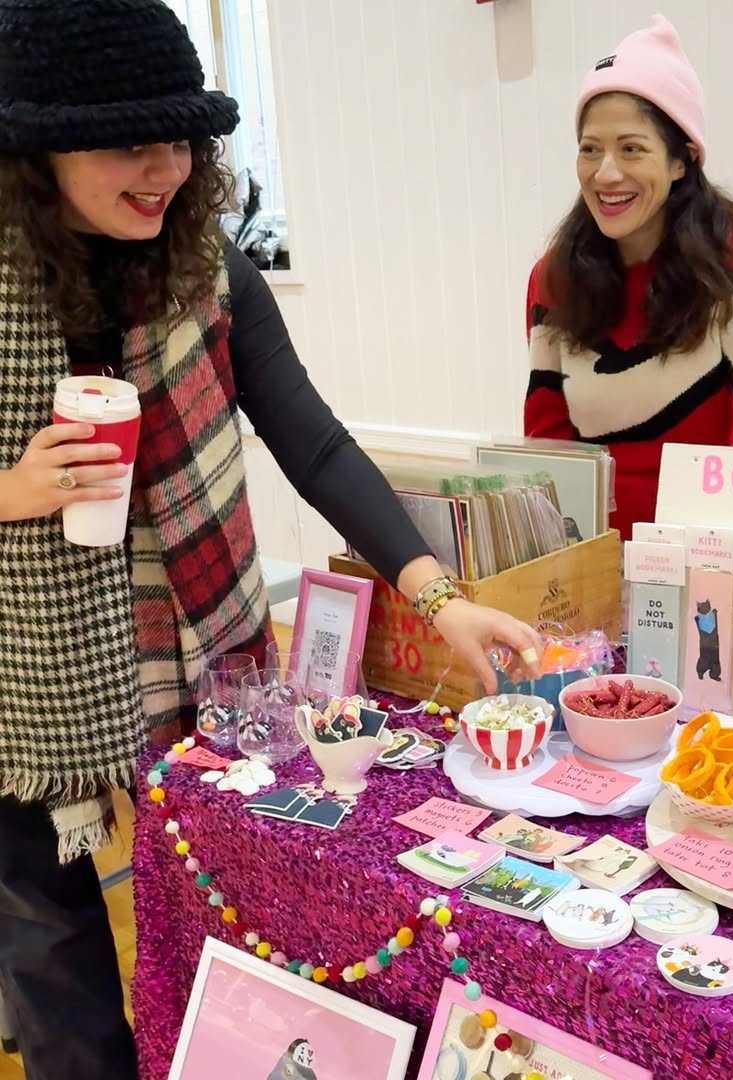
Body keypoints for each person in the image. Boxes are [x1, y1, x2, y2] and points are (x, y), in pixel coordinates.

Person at [0, 2, 542, 1077]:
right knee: (48, 953)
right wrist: (10, 491)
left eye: (182, 140)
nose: (166, 170)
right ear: (39, 149)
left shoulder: (208, 271)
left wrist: (441, 598)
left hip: (202, 657)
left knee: (229, 907)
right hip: (28, 683)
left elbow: (316, 445)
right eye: (129, 144)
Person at [524, 15, 733, 539]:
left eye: (632, 148)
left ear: (681, 161)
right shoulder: (552, 279)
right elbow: (547, 448)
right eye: (590, 148)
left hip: (707, 552)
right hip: (592, 553)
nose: (605, 172)